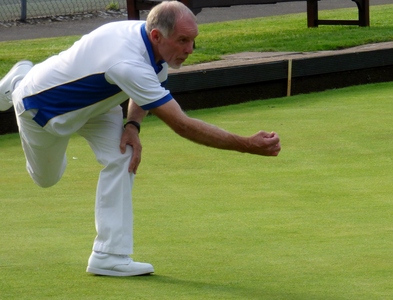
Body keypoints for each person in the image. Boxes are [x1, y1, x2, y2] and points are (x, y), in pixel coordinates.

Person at [0, 1, 281, 277]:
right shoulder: (128, 61)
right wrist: (247, 144)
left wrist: (132, 125)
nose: (189, 49)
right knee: (47, 179)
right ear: (157, 36)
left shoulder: (153, 44)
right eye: (183, 40)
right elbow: (182, 125)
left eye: (193, 40)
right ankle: (17, 84)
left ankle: (108, 255)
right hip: (44, 111)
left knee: (123, 156)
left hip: (100, 102)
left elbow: (147, 86)